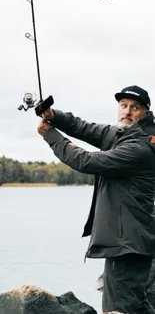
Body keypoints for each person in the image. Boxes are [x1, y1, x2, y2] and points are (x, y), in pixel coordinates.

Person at [37, 85, 155, 314]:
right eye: (123, 106)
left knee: (117, 309)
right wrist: (54, 116)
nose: (127, 111)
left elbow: (86, 162)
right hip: (130, 242)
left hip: (127, 246)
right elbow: (84, 128)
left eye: (135, 108)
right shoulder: (122, 134)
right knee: (137, 306)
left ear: (146, 112)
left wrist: (51, 136)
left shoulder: (140, 147)